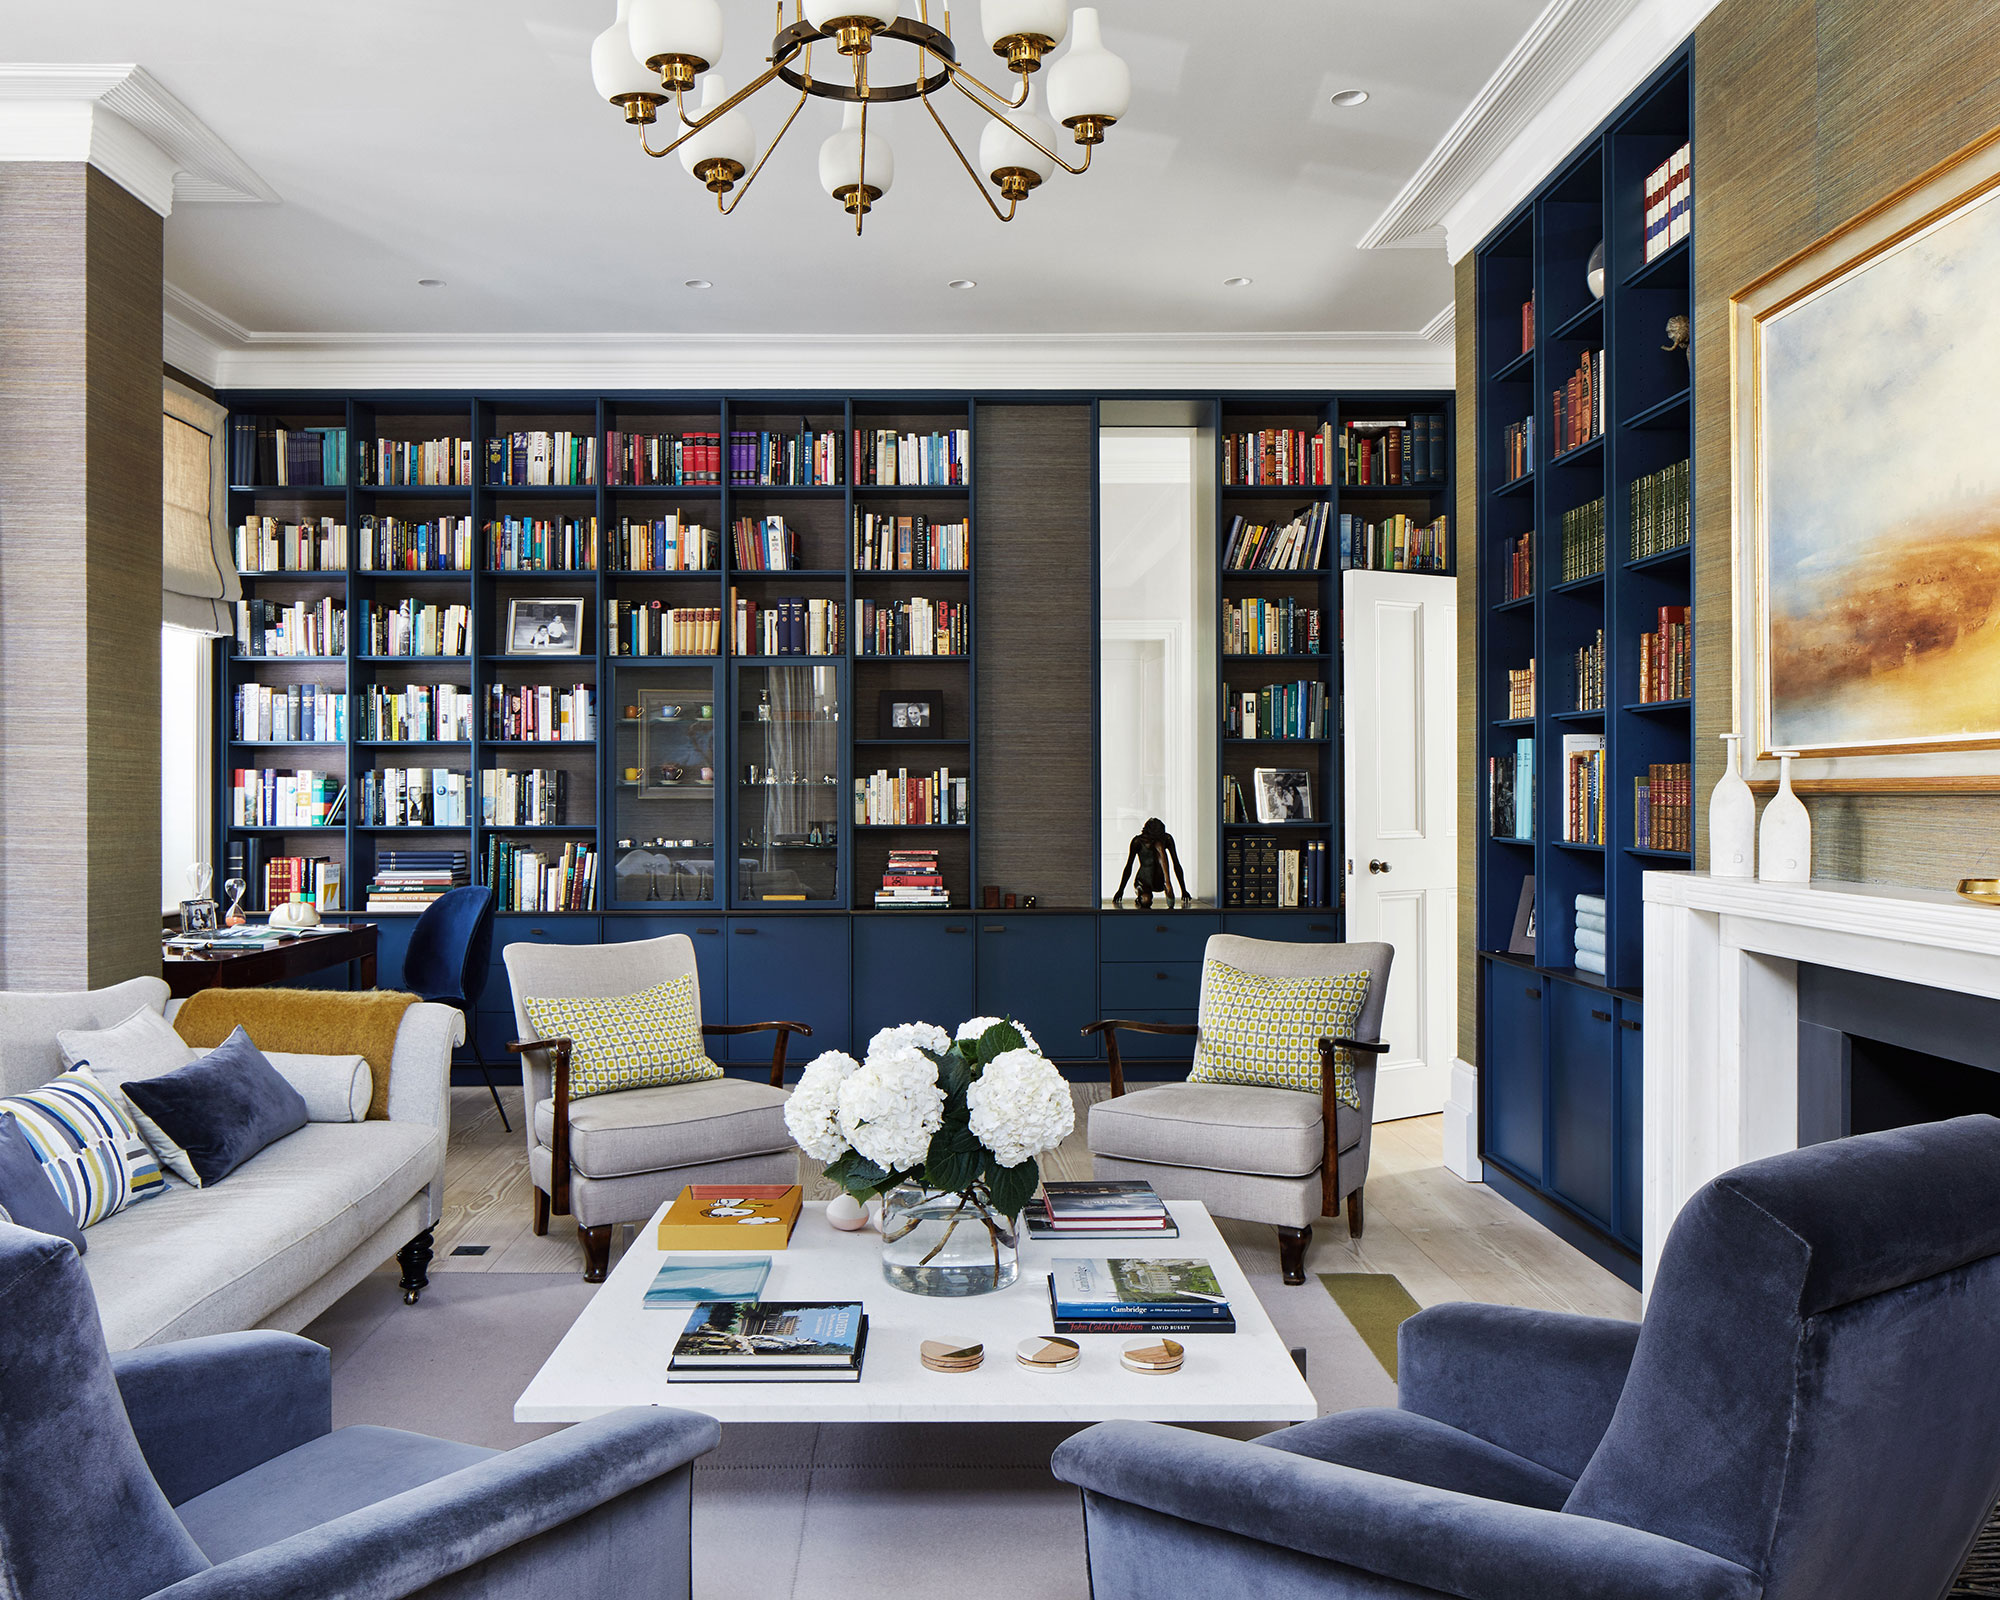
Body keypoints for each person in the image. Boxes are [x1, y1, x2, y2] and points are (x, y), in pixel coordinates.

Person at [1112, 817, 1190, 909]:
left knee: (1159, 847)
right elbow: (1129, 866)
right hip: (1143, 881)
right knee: (1146, 900)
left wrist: (1183, 889)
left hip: (1161, 880)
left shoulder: (1166, 839)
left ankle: (1167, 885)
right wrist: (1121, 890)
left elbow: (1176, 864)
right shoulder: (1138, 842)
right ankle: (1141, 898)